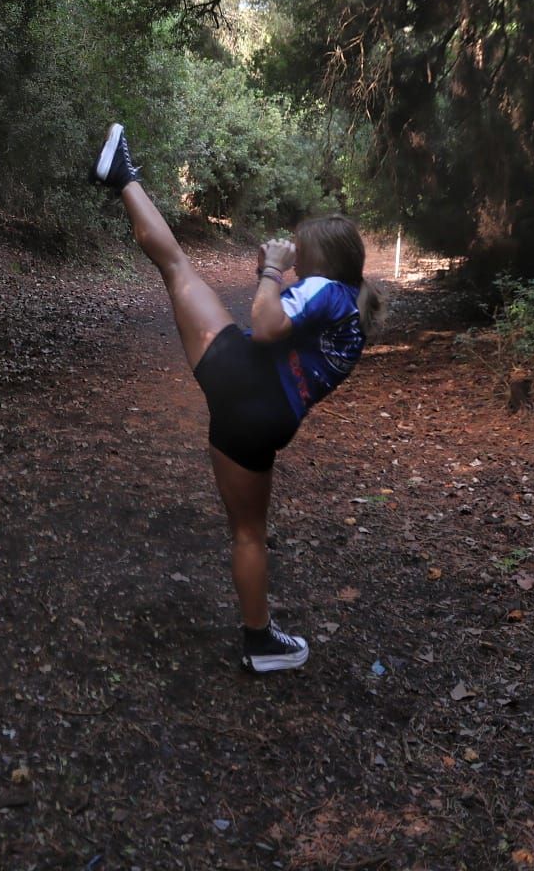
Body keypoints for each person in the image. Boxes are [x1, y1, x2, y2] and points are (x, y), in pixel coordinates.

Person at [91, 123, 380, 673]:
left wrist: (272, 269)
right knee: (248, 532)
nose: (293, 258)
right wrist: (275, 277)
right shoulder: (353, 310)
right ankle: (260, 642)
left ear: (321, 260)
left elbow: (268, 325)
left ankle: (122, 177)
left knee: (176, 266)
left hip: (243, 378)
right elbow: (292, 332)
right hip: (263, 422)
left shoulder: (324, 289)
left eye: (301, 251)